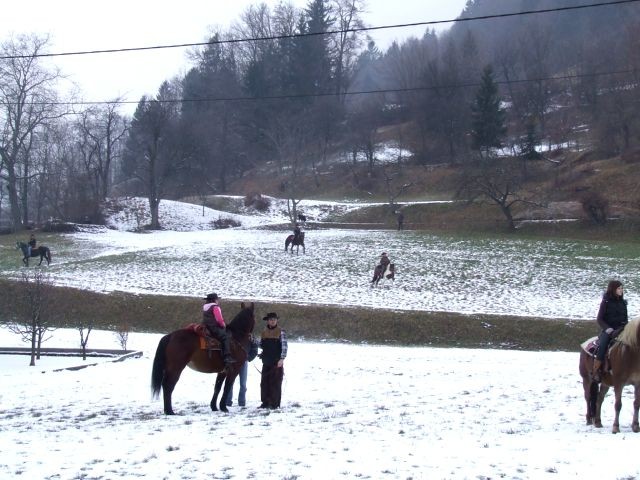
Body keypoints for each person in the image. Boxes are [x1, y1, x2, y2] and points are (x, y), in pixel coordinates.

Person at [594, 280, 628, 376]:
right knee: (603, 345)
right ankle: (597, 369)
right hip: (609, 331)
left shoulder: (623, 303)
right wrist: (607, 328)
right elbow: (599, 319)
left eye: (622, 288)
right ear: (613, 289)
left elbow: (625, 319)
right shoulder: (606, 302)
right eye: (619, 288)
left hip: (621, 329)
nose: (621, 290)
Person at [259, 312, 288, 409]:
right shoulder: (264, 331)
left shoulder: (281, 331)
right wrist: (253, 341)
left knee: (275, 383)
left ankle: (274, 404)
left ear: (277, 321)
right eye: (271, 319)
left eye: (274, 319)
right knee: (264, 383)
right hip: (266, 361)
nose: (273, 321)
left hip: (276, 362)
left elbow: (284, 346)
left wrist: (282, 359)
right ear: (267, 321)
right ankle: (265, 403)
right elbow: (261, 345)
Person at [201, 293, 235, 371]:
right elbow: (219, 319)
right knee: (226, 337)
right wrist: (223, 325)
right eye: (217, 299)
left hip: (206, 327)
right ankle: (227, 356)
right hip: (214, 328)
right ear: (214, 300)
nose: (218, 301)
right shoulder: (215, 307)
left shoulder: (205, 307)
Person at [225, 334, 259, 408]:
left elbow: (255, 346)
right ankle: (227, 401)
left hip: (243, 362)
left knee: (243, 384)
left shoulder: (250, 336)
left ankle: (242, 402)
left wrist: (249, 357)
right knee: (230, 382)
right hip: (232, 362)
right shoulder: (232, 335)